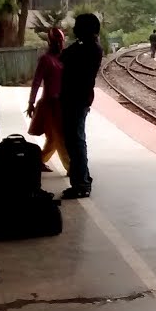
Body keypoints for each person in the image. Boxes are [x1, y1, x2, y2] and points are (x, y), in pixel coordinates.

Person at [59, 13, 103, 199]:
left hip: (75, 99)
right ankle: (83, 177)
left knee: (75, 141)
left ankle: (81, 184)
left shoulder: (85, 49)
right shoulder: (93, 47)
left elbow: (63, 57)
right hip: (81, 98)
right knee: (77, 140)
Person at [27, 28, 69, 175]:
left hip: (61, 104)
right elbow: (36, 82)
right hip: (50, 104)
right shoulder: (45, 59)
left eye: (60, 41)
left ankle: (37, 161)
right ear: (50, 42)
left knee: (53, 138)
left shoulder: (64, 58)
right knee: (60, 137)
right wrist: (31, 102)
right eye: (57, 42)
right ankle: (71, 167)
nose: (59, 44)